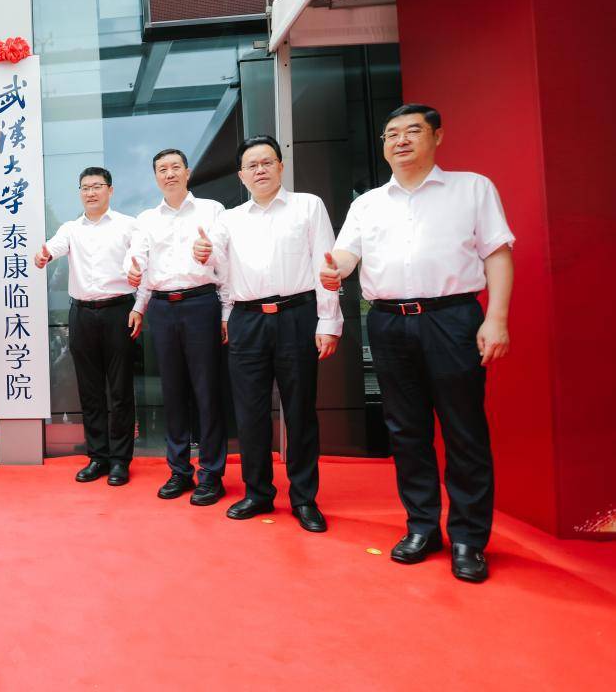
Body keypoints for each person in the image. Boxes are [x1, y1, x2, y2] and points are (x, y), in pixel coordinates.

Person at [322, 104, 513, 582]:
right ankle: (422, 527)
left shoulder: (471, 188)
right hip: (388, 322)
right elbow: (346, 253)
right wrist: (334, 269)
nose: (400, 141)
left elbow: (498, 254)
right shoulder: (368, 203)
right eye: (391, 134)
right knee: (406, 430)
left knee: (464, 429)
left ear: (437, 136)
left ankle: (468, 538)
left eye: (412, 131)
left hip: (452, 319)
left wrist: (496, 319)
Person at [196, 136, 341, 532]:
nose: (259, 170)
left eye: (266, 162)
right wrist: (204, 255)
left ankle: (304, 498)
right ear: (241, 175)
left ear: (280, 166)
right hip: (247, 320)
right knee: (250, 412)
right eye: (251, 165)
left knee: (300, 411)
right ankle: (257, 492)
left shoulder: (308, 206)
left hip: (297, 315)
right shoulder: (229, 219)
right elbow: (219, 268)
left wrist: (329, 322)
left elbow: (326, 267)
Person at [127, 148, 228, 505]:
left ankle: (211, 474)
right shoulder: (146, 219)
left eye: (174, 167)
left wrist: (226, 313)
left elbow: (227, 262)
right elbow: (139, 261)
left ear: (187, 172)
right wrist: (138, 301)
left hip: (201, 303)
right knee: (172, 392)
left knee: (207, 391)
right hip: (162, 308)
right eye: (162, 169)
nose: (169, 174)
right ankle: (179, 470)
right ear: (156, 177)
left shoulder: (212, 210)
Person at [34, 167, 144, 486]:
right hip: (81, 314)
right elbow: (53, 247)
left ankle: (120, 460)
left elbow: (140, 261)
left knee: (120, 390)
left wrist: (138, 297)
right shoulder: (71, 228)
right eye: (85, 187)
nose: (91, 192)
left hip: (118, 311)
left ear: (110, 190)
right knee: (89, 389)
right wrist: (43, 255)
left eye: (97, 186)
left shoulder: (128, 225)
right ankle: (98, 457)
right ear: (80, 193)